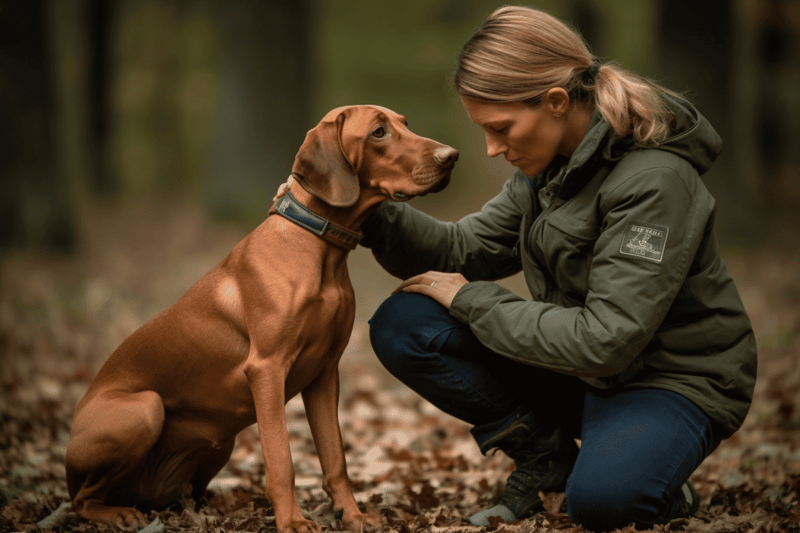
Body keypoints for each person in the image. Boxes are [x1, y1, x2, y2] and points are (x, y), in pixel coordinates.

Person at [360, 5, 757, 532]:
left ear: (555, 102)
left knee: (603, 503)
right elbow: (460, 249)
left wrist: (472, 300)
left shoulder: (655, 181)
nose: (492, 149)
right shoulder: (545, 172)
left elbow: (606, 340)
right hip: (581, 366)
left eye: (501, 129)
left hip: (671, 379)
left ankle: (651, 472)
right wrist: (366, 204)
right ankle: (547, 459)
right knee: (406, 322)